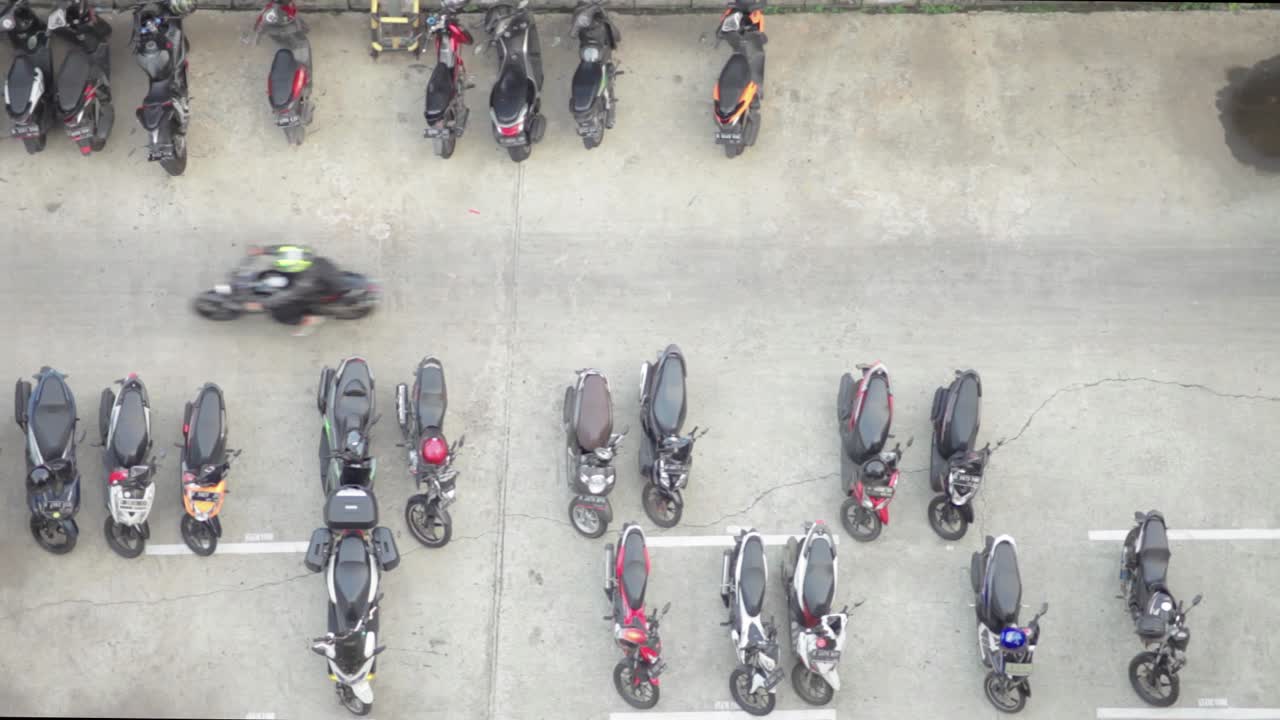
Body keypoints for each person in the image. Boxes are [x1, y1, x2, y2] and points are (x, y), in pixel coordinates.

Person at [241, 244, 343, 336]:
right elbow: (283, 249)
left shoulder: (305, 282)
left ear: (296, 268)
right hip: (323, 271)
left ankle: (308, 320)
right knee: (275, 274)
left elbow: (288, 295)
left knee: (280, 313)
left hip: (320, 290)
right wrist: (263, 250)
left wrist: (263, 304)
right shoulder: (303, 255)